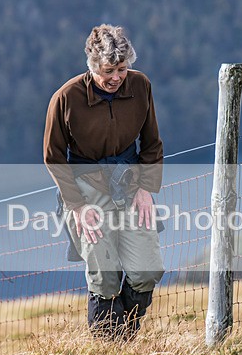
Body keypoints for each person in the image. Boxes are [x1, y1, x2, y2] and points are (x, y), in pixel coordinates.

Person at [44, 24, 165, 339]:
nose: (116, 77)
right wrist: (77, 206)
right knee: (105, 277)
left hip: (130, 185)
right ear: (93, 64)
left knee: (147, 271)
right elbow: (54, 157)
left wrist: (146, 189)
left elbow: (151, 144)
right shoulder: (66, 98)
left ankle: (122, 334)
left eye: (122, 69)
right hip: (87, 191)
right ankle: (108, 350)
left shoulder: (141, 86)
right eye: (109, 70)